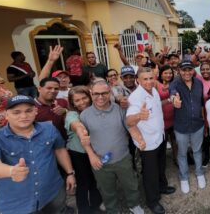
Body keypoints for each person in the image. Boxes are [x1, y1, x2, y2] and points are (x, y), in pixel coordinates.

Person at [0, 95, 76, 214]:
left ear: (35, 111)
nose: (23, 116)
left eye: (28, 111)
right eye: (16, 112)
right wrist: (11, 171)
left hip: (53, 192)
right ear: (7, 114)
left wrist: (70, 173)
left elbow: (59, 149)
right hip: (16, 202)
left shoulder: (49, 128)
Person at [79, 80, 144, 214]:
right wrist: (91, 155)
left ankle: (134, 204)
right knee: (106, 190)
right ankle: (112, 209)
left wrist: (139, 139)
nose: (100, 97)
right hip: (100, 161)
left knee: (130, 185)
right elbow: (85, 140)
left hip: (123, 157)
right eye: (96, 94)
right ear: (91, 94)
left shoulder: (120, 109)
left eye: (104, 93)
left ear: (110, 93)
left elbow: (130, 127)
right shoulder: (84, 115)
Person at [126, 67, 175, 214]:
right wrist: (139, 116)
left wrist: (169, 100)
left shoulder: (153, 91)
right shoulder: (135, 98)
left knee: (161, 165)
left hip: (159, 136)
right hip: (147, 143)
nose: (149, 81)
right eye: (145, 79)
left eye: (151, 78)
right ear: (138, 80)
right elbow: (129, 121)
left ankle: (162, 186)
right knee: (150, 173)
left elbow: (157, 106)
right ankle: (152, 201)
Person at [170, 61, 206, 193]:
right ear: (179, 70)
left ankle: (199, 173)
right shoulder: (175, 83)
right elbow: (172, 93)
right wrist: (174, 100)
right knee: (182, 153)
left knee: (197, 150)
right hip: (181, 126)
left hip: (198, 124)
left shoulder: (199, 83)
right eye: (184, 70)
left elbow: (201, 103)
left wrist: (204, 120)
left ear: (193, 70)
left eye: (189, 69)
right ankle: (184, 177)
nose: (187, 73)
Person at [65, 86, 102, 214]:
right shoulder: (72, 114)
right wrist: (81, 131)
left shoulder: (96, 109)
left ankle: (95, 206)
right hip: (79, 153)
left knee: (95, 180)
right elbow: (75, 124)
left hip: (95, 152)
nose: (82, 102)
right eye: (77, 100)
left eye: (84, 98)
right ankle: (84, 210)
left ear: (90, 96)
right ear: (72, 103)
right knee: (83, 183)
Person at [156, 65, 177, 165]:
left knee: (175, 141)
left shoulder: (175, 83)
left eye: (170, 73)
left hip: (175, 118)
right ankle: (162, 164)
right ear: (161, 74)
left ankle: (176, 160)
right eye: (166, 73)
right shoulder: (156, 84)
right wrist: (169, 99)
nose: (168, 75)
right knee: (162, 143)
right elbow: (155, 103)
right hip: (161, 120)